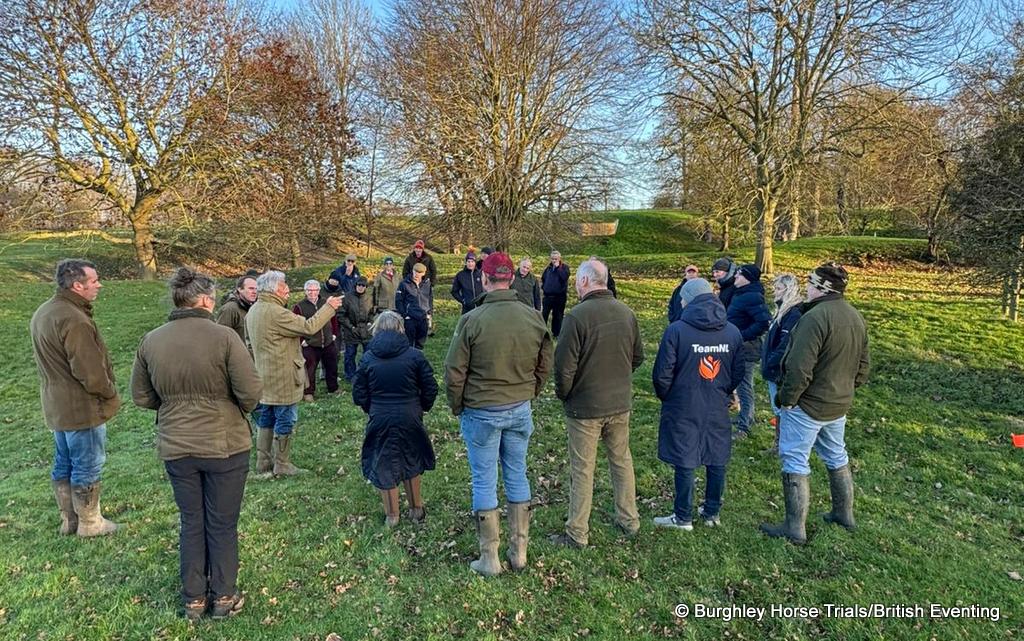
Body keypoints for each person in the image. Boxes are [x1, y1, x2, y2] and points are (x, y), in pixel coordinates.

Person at [131, 268, 262, 621]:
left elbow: (141, 396)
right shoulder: (225, 338)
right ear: (205, 300)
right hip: (225, 444)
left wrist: (174, 406)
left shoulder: (151, 341)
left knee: (191, 521)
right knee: (222, 523)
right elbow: (250, 393)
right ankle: (223, 595)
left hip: (177, 445)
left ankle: (193, 598)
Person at [444, 252, 553, 576]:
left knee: (484, 478)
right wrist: (530, 391)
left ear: (484, 279)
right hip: (519, 407)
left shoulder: (471, 320)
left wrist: (458, 405)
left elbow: (453, 371)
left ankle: (489, 558)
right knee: (517, 473)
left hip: (482, 410)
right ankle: (519, 553)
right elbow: (545, 363)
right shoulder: (533, 317)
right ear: (511, 279)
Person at [761, 262, 869, 545]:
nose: (806, 287)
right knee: (837, 455)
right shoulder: (855, 316)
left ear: (822, 288)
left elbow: (798, 367)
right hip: (838, 404)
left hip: (807, 405)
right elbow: (863, 366)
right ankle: (843, 514)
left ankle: (794, 527)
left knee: (795, 458)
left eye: (810, 282)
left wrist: (787, 400)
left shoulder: (813, 318)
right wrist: (845, 390)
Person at [549, 260, 643, 548]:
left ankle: (577, 532)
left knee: (582, 469)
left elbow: (563, 367)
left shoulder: (576, 317)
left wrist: (565, 394)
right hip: (619, 403)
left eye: (577, 281)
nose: (575, 285)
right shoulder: (626, 313)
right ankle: (629, 519)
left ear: (585, 281)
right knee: (621, 461)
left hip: (585, 407)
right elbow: (637, 357)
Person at [30, 258, 121, 538]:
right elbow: (90, 373)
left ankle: (69, 520)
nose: (99, 285)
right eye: (94, 281)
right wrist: (110, 392)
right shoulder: (75, 320)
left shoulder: (44, 312)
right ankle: (90, 523)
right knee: (87, 463)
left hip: (56, 405)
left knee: (64, 461)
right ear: (77, 285)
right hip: (82, 406)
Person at [652, 279, 744, 530]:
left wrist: (668, 396)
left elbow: (662, 374)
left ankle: (683, 516)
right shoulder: (732, 332)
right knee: (716, 455)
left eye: (683, 298)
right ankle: (712, 512)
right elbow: (737, 371)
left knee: (685, 456)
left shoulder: (676, 330)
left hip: (683, 404)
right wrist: (723, 391)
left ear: (690, 299)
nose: (681, 302)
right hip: (716, 402)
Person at [246, 271, 341, 476]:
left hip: (264, 375)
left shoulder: (253, 310)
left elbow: (249, 344)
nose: (288, 289)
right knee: (285, 417)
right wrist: (329, 307)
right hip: (283, 375)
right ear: (274, 290)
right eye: (284, 286)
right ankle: (282, 463)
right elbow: (308, 327)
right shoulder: (276, 312)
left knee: (266, 416)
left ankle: (263, 461)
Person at [353, 311, 438, 527]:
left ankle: (392, 516)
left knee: (383, 462)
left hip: (380, 416)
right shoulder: (415, 356)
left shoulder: (368, 358)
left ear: (377, 329)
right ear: (401, 328)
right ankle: (416, 509)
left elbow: (359, 393)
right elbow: (430, 387)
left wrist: (372, 409)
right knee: (412, 457)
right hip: (410, 414)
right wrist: (421, 407)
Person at [727, 264, 772, 439]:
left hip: (747, 349)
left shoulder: (752, 296)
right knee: (738, 384)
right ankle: (744, 417)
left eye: (739, 274)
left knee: (744, 387)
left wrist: (742, 335)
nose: (735, 277)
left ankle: (744, 425)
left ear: (747, 278)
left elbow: (763, 322)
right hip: (736, 347)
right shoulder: (741, 294)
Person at [760, 273, 804, 451]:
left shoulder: (793, 314)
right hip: (772, 368)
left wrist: (771, 362)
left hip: (778, 370)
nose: (775, 291)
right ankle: (780, 444)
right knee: (777, 408)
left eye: (778, 288)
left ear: (789, 290)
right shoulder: (782, 311)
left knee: (782, 409)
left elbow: (785, 344)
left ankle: (784, 446)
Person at [292, 279, 340, 401]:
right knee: (310, 370)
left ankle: (333, 388)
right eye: (309, 290)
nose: (312, 293)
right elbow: (296, 325)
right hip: (311, 343)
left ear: (319, 290)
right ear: (305, 291)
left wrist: (334, 333)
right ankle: (308, 392)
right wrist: (302, 340)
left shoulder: (325, 302)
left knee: (332, 366)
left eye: (315, 290)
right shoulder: (299, 307)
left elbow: (333, 318)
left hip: (328, 341)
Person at [340, 276, 374, 381]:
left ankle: (366, 373)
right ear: (355, 285)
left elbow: (372, 312)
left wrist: (370, 322)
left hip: (366, 330)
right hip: (351, 330)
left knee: (368, 354)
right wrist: (351, 327)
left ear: (366, 287)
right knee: (350, 354)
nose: (361, 287)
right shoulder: (347, 297)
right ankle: (350, 375)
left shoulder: (369, 297)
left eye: (363, 285)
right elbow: (341, 315)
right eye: (359, 285)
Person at [395, 263, 433, 349]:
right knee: (409, 343)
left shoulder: (427, 284)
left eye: (419, 272)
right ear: (412, 271)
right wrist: (405, 315)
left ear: (423, 273)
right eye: (415, 271)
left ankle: (418, 356)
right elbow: (398, 301)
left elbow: (430, 299)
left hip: (423, 318)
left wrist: (429, 313)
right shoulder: (404, 284)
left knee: (420, 344)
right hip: (410, 318)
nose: (416, 274)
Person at [217, 274, 258, 348]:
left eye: (256, 289)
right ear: (240, 289)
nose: (255, 292)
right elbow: (221, 338)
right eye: (251, 288)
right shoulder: (230, 309)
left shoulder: (254, 309)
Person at [541, 250, 571, 337]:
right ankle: (542, 333)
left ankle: (556, 334)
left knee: (557, 316)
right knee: (544, 315)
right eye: (552, 259)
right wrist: (544, 287)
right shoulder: (548, 268)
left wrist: (558, 268)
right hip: (547, 296)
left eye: (556, 259)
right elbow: (543, 278)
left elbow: (565, 277)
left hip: (559, 297)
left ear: (559, 259)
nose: (554, 261)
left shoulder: (564, 268)